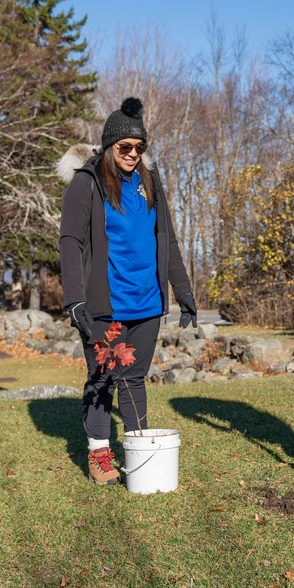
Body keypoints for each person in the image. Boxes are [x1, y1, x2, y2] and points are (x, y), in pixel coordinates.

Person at [59, 97, 196, 486]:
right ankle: (99, 455)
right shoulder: (86, 184)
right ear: (108, 146)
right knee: (102, 377)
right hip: (104, 305)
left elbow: (165, 240)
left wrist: (182, 289)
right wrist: (75, 299)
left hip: (147, 304)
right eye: (125, 147)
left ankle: (137, 456)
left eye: (140, 147)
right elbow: (69, 241)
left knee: (134, 378)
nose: (133, 154)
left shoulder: (151, 183)